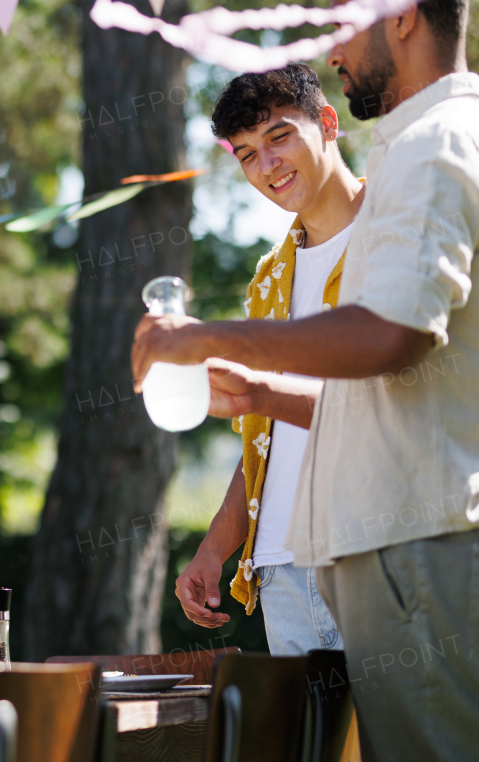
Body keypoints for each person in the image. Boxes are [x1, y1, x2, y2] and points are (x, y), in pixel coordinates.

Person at [132, 0, 477, 758]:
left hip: (417, 541)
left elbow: (391, 337)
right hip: (367, 548)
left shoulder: (433, 147)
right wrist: (254, 396)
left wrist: (205, 338)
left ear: (401, 18)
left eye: (341, 27)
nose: (334, 51)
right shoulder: (415, 150)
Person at [174, 63, 362, 655]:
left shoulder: (398, 234)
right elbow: (263, 435)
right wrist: (215, 546)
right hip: (280, 570)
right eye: (248, 154)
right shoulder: (268, 279)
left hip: (380, 557)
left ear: (327, 123)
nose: (268, 165)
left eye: (279, 137)